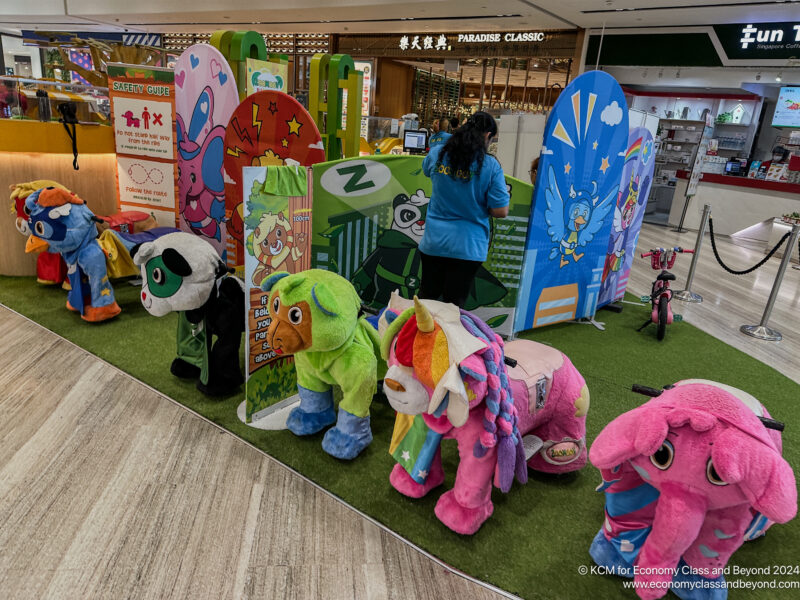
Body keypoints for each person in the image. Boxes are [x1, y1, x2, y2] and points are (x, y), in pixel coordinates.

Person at [418, 111, 509, 307]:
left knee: (426, 303)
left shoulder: (437, 154)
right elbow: (501, 210)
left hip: (434, 243)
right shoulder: (491, 166)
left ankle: (417, 338)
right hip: (468, 247)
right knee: (454, 308)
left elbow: (426, 170)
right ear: (487, 136)